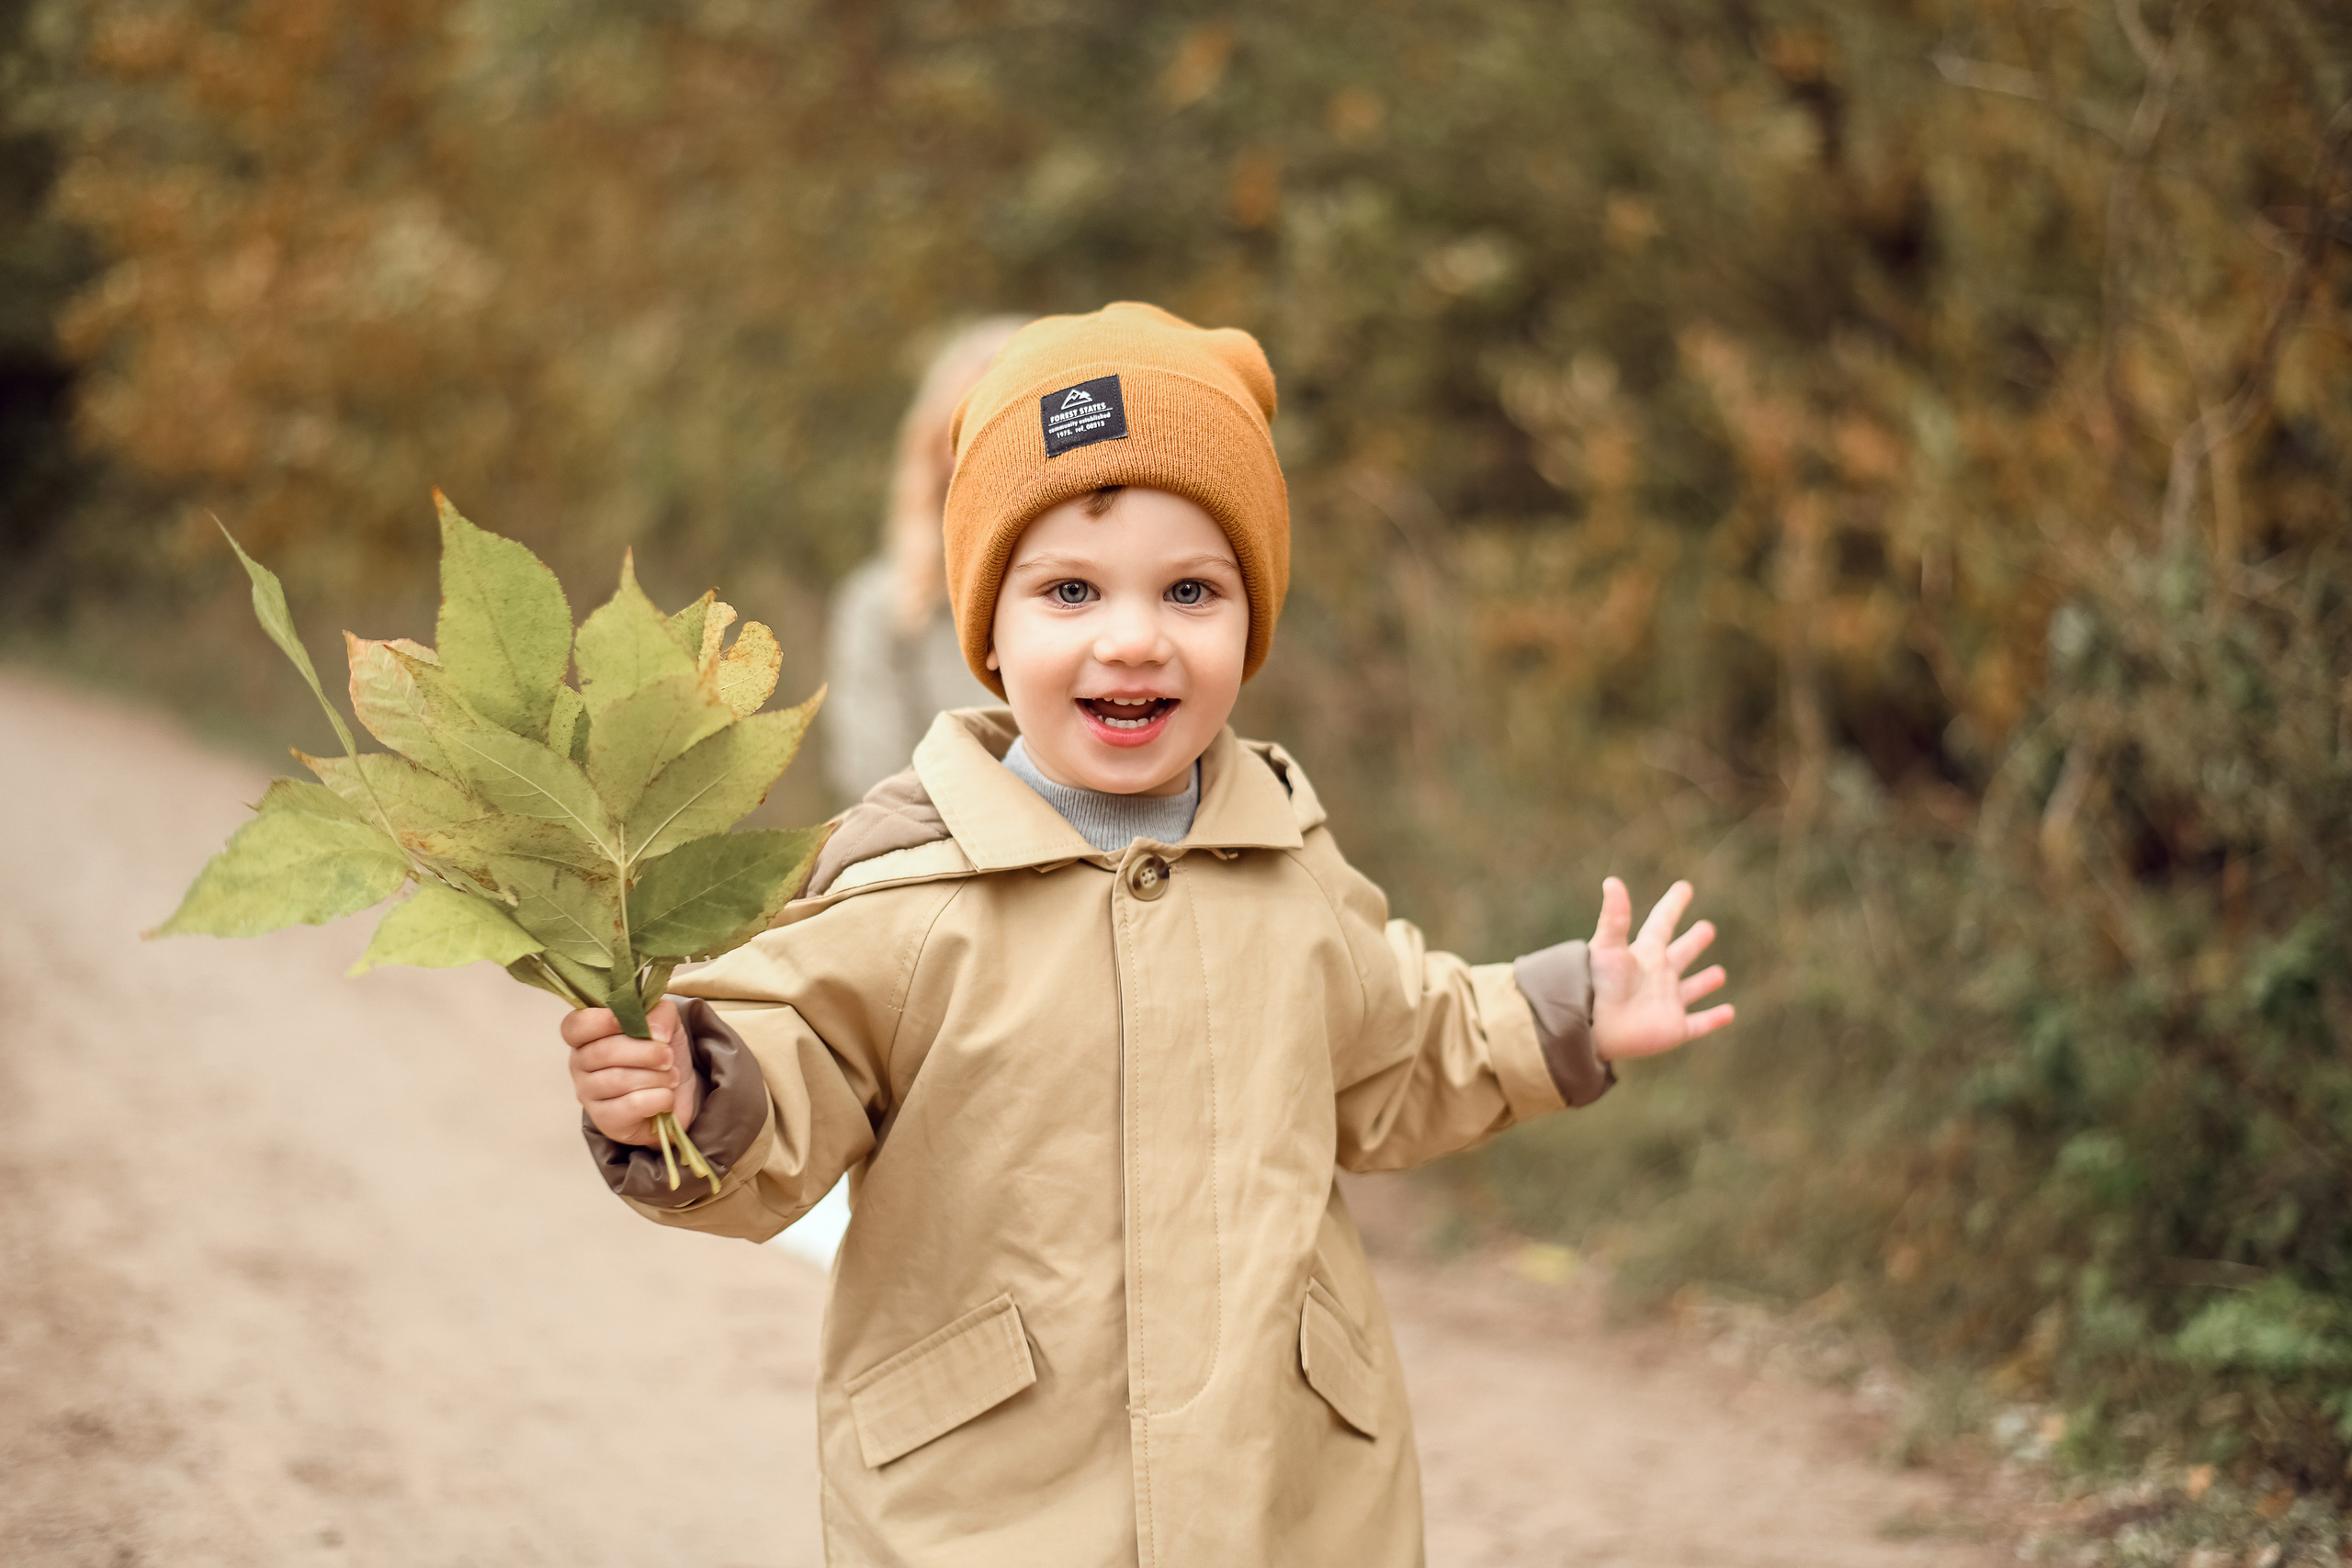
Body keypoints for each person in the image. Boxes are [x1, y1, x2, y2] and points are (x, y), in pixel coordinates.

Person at [558, 303, 1734, 1565]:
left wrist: (1564, 1011)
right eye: (1070, 589)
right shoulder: (906, 887)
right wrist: (689, 1087)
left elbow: (1401, 1047)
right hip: (995, 1499)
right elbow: (790, 1069)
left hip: (1276, 1489)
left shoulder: (1290, 864)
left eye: (1191, 589)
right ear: (988, 630)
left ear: (1250, 621)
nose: (1134, 635)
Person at [824, 316, 1028, 801]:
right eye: (969, 431)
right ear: (935, 452)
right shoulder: (883, 607)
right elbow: (877, 783)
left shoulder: (1119, 597)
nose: (990, 453)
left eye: (1014, 429)